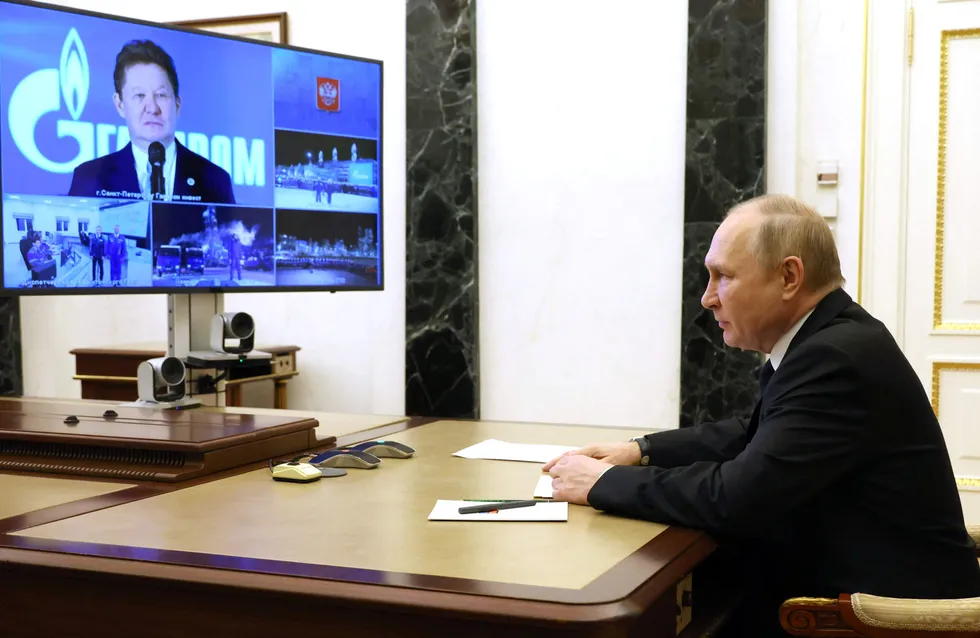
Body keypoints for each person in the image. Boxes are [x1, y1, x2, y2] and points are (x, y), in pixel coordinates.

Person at [543, 194, 980, 636]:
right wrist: (640, 450)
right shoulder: (830, 336)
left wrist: (602, 484)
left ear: (789, 276)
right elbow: (755, 434)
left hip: (879, 618)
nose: (707, 298)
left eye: (723, 277)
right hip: (840, 582)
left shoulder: (834, 358)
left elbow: (736, 498)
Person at [68, 40, 235, 204]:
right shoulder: (89, 178)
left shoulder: (214, 180)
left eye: (161, 95)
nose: (152, 108)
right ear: (120, 105)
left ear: (177, 104)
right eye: (139, 96)